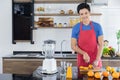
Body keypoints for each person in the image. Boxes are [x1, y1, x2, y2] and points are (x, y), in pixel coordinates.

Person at [71, 3, 104, 78]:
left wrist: (97, 59)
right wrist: (84, 53)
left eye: (86, 13)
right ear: (79, 15)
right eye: (81, 14)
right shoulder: (76, 28)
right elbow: (73, 46)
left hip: (95, 61)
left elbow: (101, 44)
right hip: (82, 62)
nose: (84, 16)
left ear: (90, 13)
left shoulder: (97, 26)